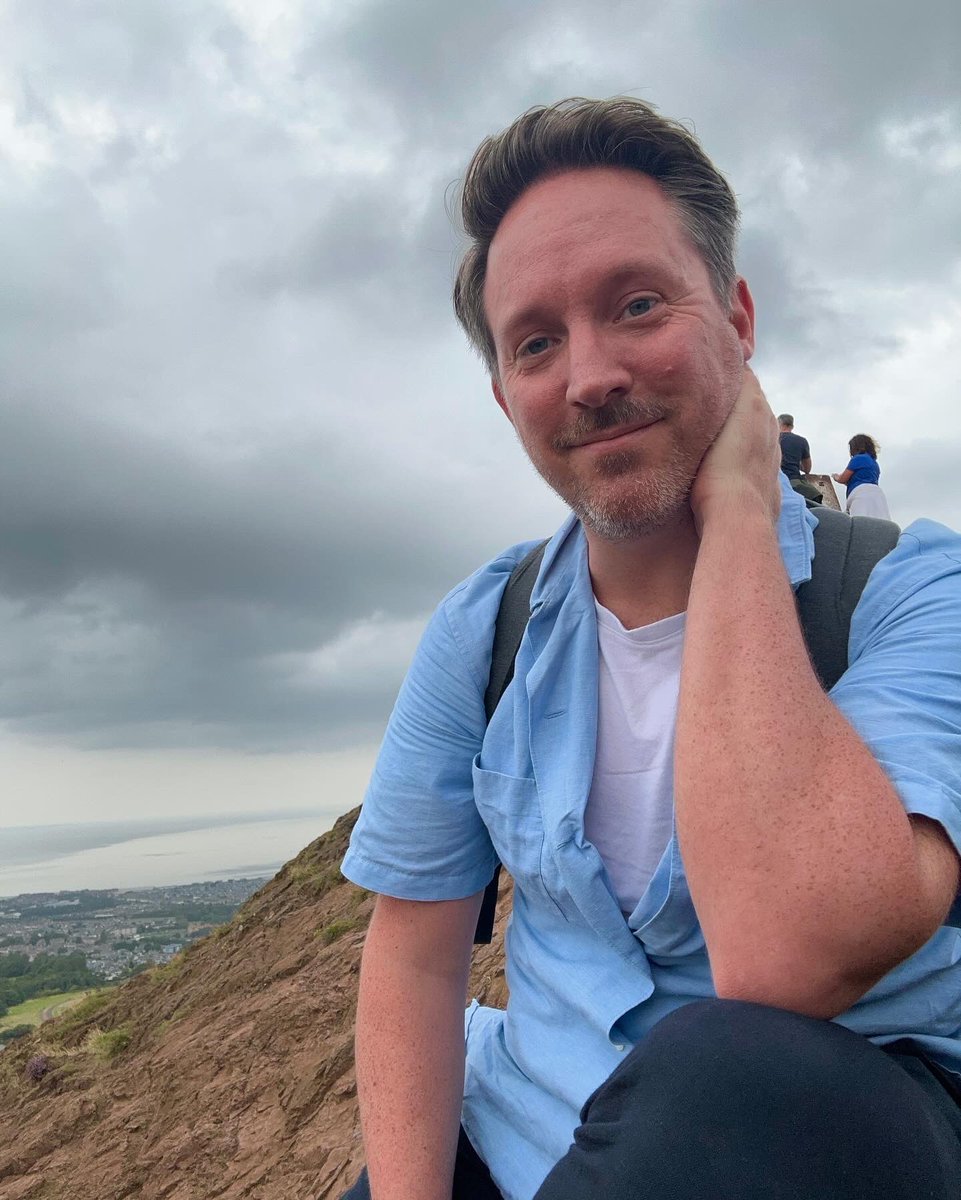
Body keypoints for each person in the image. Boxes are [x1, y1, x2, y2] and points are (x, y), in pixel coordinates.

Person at [341, 98, 961, 1200]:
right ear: (504, 397)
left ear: (736, 317)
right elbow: (416, 956)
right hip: (534, 1126)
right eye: (536, 342)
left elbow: (788, 957)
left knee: (731, 1079)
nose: (587, 376)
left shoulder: (910, 593)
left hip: (822, 1135)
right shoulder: (482, 632)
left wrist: (736, 519)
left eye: (635, 305)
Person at [833, 433, 892, 519]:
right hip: (877, 495)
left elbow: (843, 479)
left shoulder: (858, 459)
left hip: (861, 495)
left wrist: (836, 477)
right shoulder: (875, 464)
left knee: (860, 523)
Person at [777, 413, 821, 503]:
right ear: (792, 426)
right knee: (815, 499)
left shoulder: (771, 439)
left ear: (779, 423)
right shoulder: (801, 441)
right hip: (794, 481)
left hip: (774, 481)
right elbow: (807, 469)